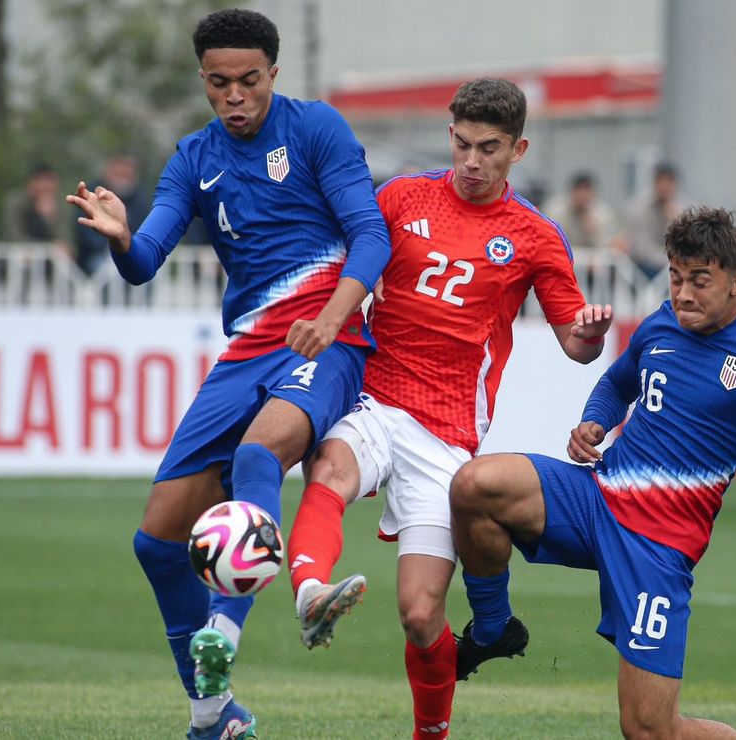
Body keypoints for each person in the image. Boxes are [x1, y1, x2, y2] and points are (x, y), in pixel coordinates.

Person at [65, 9, 391, 739]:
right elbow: (145, 260)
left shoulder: (317, 131)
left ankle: (226, 628)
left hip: (323, 343)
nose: (235, 95)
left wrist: (336, 316)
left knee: (257, 453)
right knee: (155, 542)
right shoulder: (192, 157)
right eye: (220, 83)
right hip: (246, 350)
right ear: (204, 81)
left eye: (249, 80)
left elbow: (371, 235)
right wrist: (122, 237)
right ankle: (213, 715)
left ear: (274, 74)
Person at [449, 206, 736, 738]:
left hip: (658, 547)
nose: (683, 294)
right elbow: (616, 382)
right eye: (676, 277)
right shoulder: (660, 322)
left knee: (650, 730)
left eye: (700, 281)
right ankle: (493, 629)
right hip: (596, 498)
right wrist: (595, 422)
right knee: (475, 485)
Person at [284, 77, 614, 740]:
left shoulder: (535, 237)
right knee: (329, 470)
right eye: (461, 143)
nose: (470, 161)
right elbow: (349, 262)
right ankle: (310, 591)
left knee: (418, 613)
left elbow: (574, 343)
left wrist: (592, 333)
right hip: (377, 400)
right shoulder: (402, 198)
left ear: (517, 149)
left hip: (448, 437)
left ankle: (431, 733)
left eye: (487, 148)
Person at [74, 153, 150, 276]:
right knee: (104, 270)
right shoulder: (91, 192)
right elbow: (83, 231)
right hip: (96, 256)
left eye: (126, 174)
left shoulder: (140, 198)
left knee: (146, 272)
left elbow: (143, 229)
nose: (122, 178)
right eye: (119, 173)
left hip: (131, 251)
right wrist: (111, 244)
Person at [620, 162, 687, 279]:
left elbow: (689, 246)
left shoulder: (684, 209)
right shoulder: (639, 209)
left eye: (669, 181)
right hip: (646, 270)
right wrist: (671, 259)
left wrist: (676, 223)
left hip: (676, 267)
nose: (665, 186)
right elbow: (641, 250)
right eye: (661, 180)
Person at [0, 163, 73, 249]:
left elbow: (66, 239)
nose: (45, 186)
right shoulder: (16, 202)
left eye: (49, 180)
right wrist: (31, 247)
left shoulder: (61, 204)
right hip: (16, 257)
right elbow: (12, 235)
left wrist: (50, 218)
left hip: (49, 258)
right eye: (40, 180)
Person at [544, 171, 616, 250]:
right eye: (578, 189)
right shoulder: (556, 209)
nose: (582, 195)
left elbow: (608, 246)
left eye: (586, 190)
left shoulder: (602, 214)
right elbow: (549, 239)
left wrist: (593, 232)